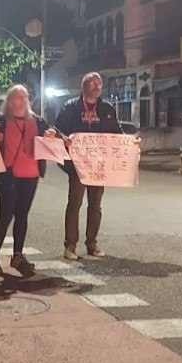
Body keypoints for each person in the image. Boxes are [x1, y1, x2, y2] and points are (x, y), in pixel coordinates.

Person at [55, 72, 123, 260]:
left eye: (99, 84)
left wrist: (130, 143)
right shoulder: (71, 107)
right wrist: (64, 139)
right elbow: (57, 130)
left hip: (98, 167)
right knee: (74, 204)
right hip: (78, 166)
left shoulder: (107, 108)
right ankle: (70, 246)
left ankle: (92, 244)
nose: (97, 87)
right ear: (83, 86)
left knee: (95, 205)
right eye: (92, 84)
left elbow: (116, 133)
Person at [0, 85, 56, 277]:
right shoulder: (2, 122)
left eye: (24, 97)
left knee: (22, 217)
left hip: (30, 176)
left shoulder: (38, 121)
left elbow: (54, 136)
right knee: (5, 217)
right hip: (9, 177)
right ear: (9, 102)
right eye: (16, 98)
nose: (20, 101)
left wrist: (51, 135)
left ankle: (17, 255)